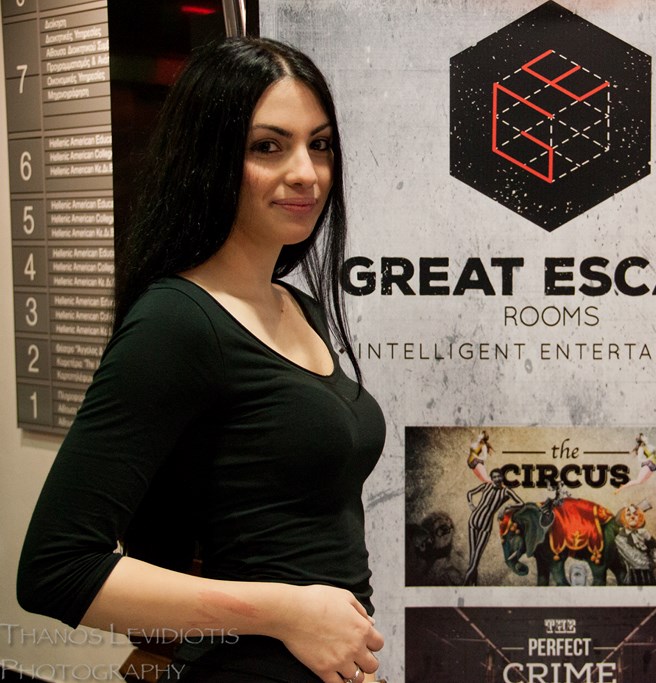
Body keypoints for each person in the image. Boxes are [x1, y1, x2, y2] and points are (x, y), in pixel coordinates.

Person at [17, 37, 385, 683]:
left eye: (320, 144)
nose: (306, 172)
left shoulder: (298, 307)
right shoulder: (177, 320)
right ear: (208, 157)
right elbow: (56, 568)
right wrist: (286, 612)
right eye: (267, 146)